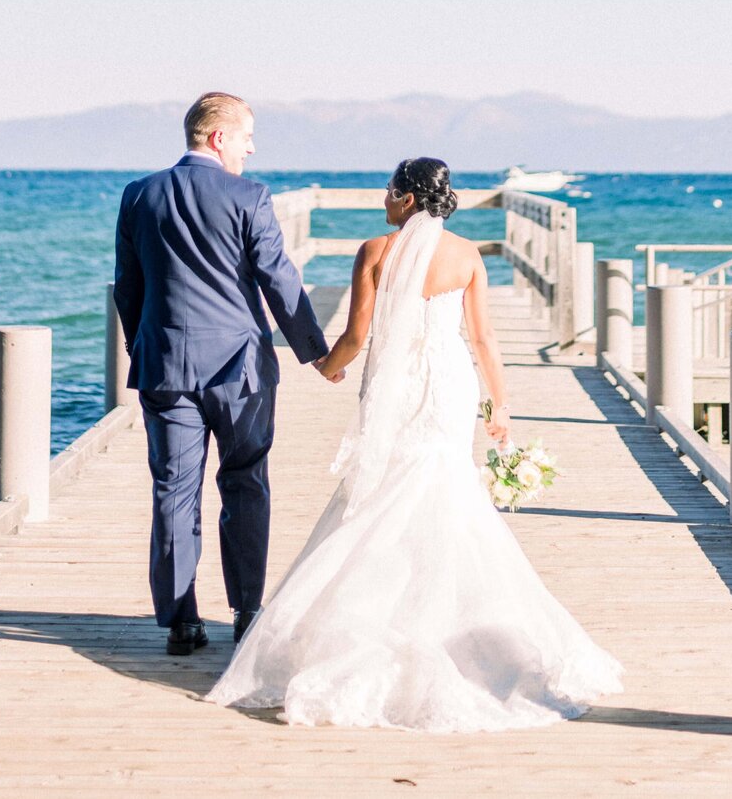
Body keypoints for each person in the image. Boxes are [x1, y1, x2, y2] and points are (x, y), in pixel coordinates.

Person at [209, 156, 622, 730]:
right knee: (444, 489)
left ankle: (380, 621)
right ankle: (444, 623)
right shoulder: (467, 255)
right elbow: (483, 335)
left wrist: (329, 366)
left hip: (399, 382)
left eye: (388, 190)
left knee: (383, 492)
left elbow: (357, 335)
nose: (383, 198)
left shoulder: (376, 252)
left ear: (406, 199)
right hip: (449, 380)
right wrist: (497, 404)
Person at [113, 91, 333, 657]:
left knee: (173, 492)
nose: (251, 147)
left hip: (166, 369)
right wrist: (316, 352)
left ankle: (182, 621)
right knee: (245, 482)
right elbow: (278, 280)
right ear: (218, 138)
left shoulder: (139, 195)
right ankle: (246, 611)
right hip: (241, 372)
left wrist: (149, 346)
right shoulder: (249, 196)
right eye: (246, 137)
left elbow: (129, 288)